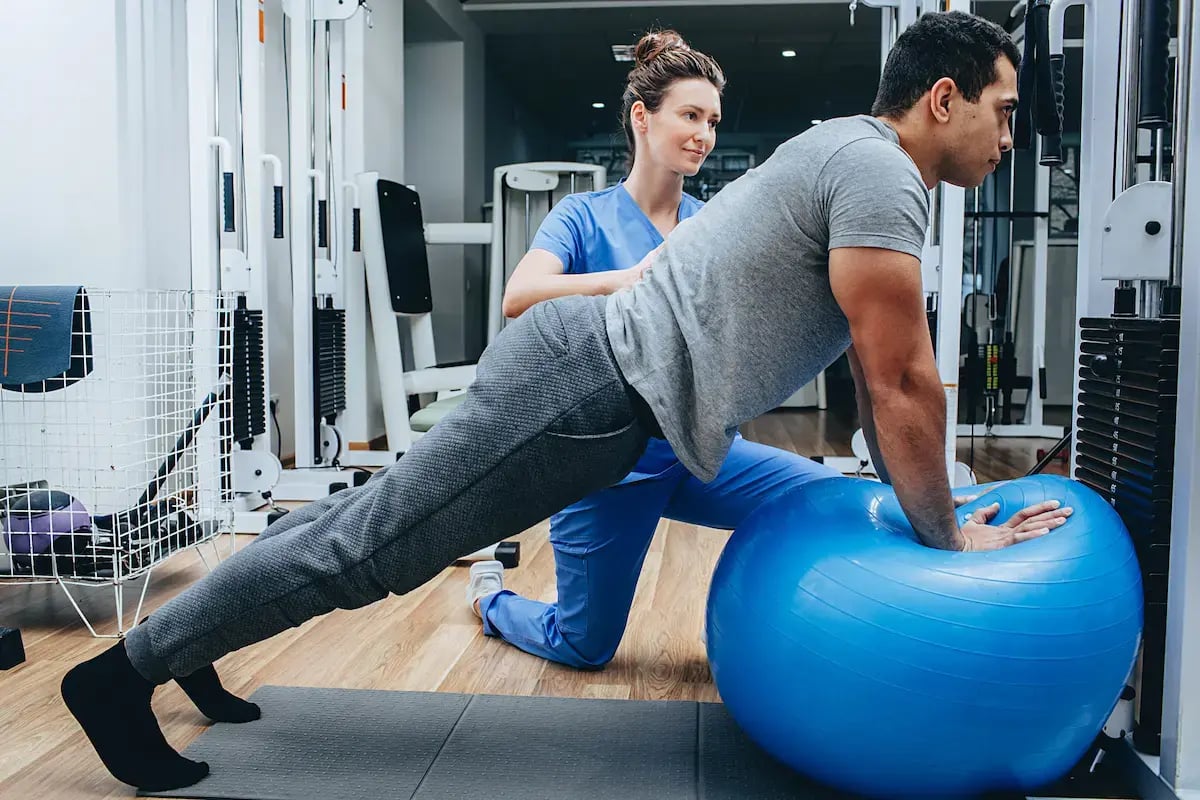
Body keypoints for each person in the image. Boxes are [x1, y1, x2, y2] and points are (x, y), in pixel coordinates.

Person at [62, 11, 1071, 792]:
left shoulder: (854, 158)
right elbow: (899, 379)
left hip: (602, 395)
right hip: (585, 384)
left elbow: (887, 376)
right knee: (372, 549)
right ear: (944, 98)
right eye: (1005, 107)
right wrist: (949, 543)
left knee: (355, 525)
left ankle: (191, 644)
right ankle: (119, 676)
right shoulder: (878, 171)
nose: (1011, 133)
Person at [465, 30, 842, 670]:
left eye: (713, 120)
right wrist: (630, 278)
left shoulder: (712, 221)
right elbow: (520, 295)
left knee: (822, 498)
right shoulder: (582, 216)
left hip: (697, 452)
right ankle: (490, 599)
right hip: (608, 468)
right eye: (689, 116)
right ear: (643, 118)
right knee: (584, 646)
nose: (704, 134)